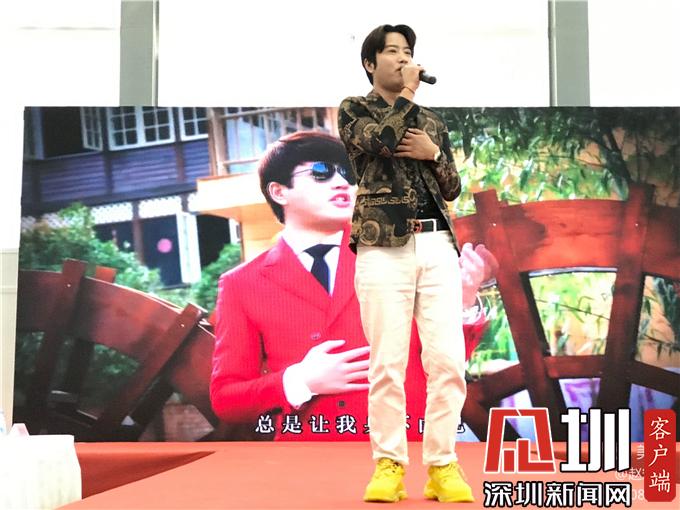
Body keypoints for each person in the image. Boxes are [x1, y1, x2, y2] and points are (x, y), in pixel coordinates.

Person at [210, 132, 496, 444]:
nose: (341, 183)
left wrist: (462, 300)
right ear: (279, 191)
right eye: (321, 172)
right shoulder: (241, 284)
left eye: (348, 173)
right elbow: (226, 398)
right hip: (308, 458)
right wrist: (300, 381)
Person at [338, 24, 473, 503]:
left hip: (437, 245)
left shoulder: (431, 122)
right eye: (392, 51)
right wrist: (410, 94)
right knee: (388, 364)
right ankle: (389, 464)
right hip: (383, 248)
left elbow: (452, 187)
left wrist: (434, 153)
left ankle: (443, 464)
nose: (402, 58)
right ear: (370, 63)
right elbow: (382, 140)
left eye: (408, 51)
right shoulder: (354, 110)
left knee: (448, 362)